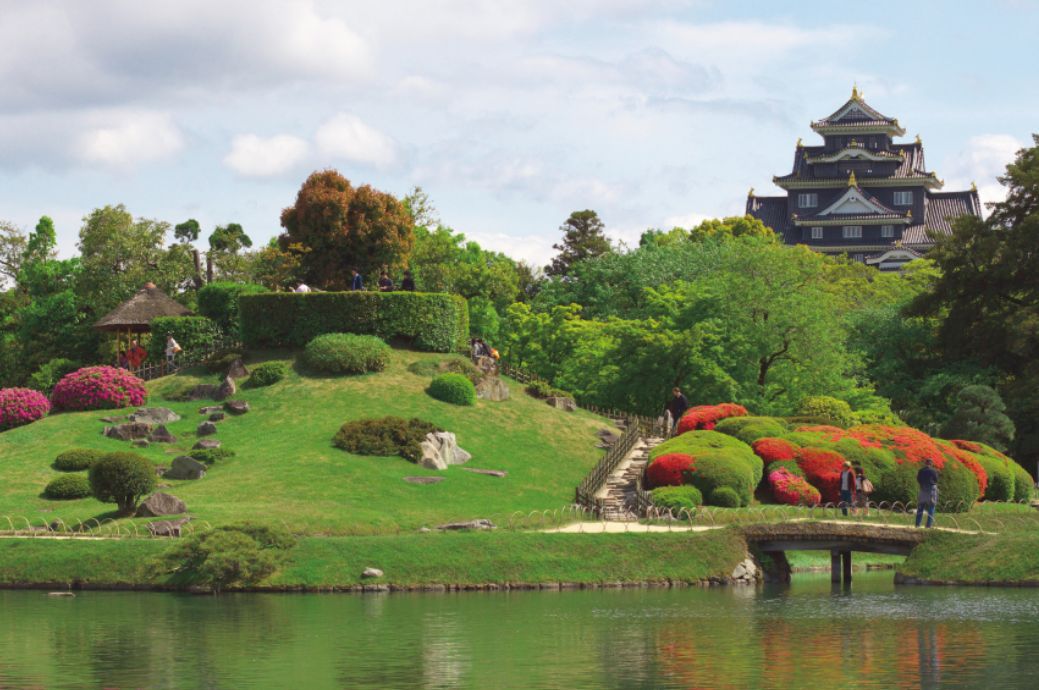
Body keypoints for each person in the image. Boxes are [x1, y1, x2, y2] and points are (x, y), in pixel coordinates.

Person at [915, 458, 940, 528]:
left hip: (923, 489)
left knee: (920, 507)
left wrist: (922, 484)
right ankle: (928, 525)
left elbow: (918, 479)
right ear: (931, 464)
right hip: (931, 490)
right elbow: (936, 480)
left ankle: (917, 524)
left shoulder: (921, 471)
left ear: (925, 463)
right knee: (931, 507)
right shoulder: (933, 471)